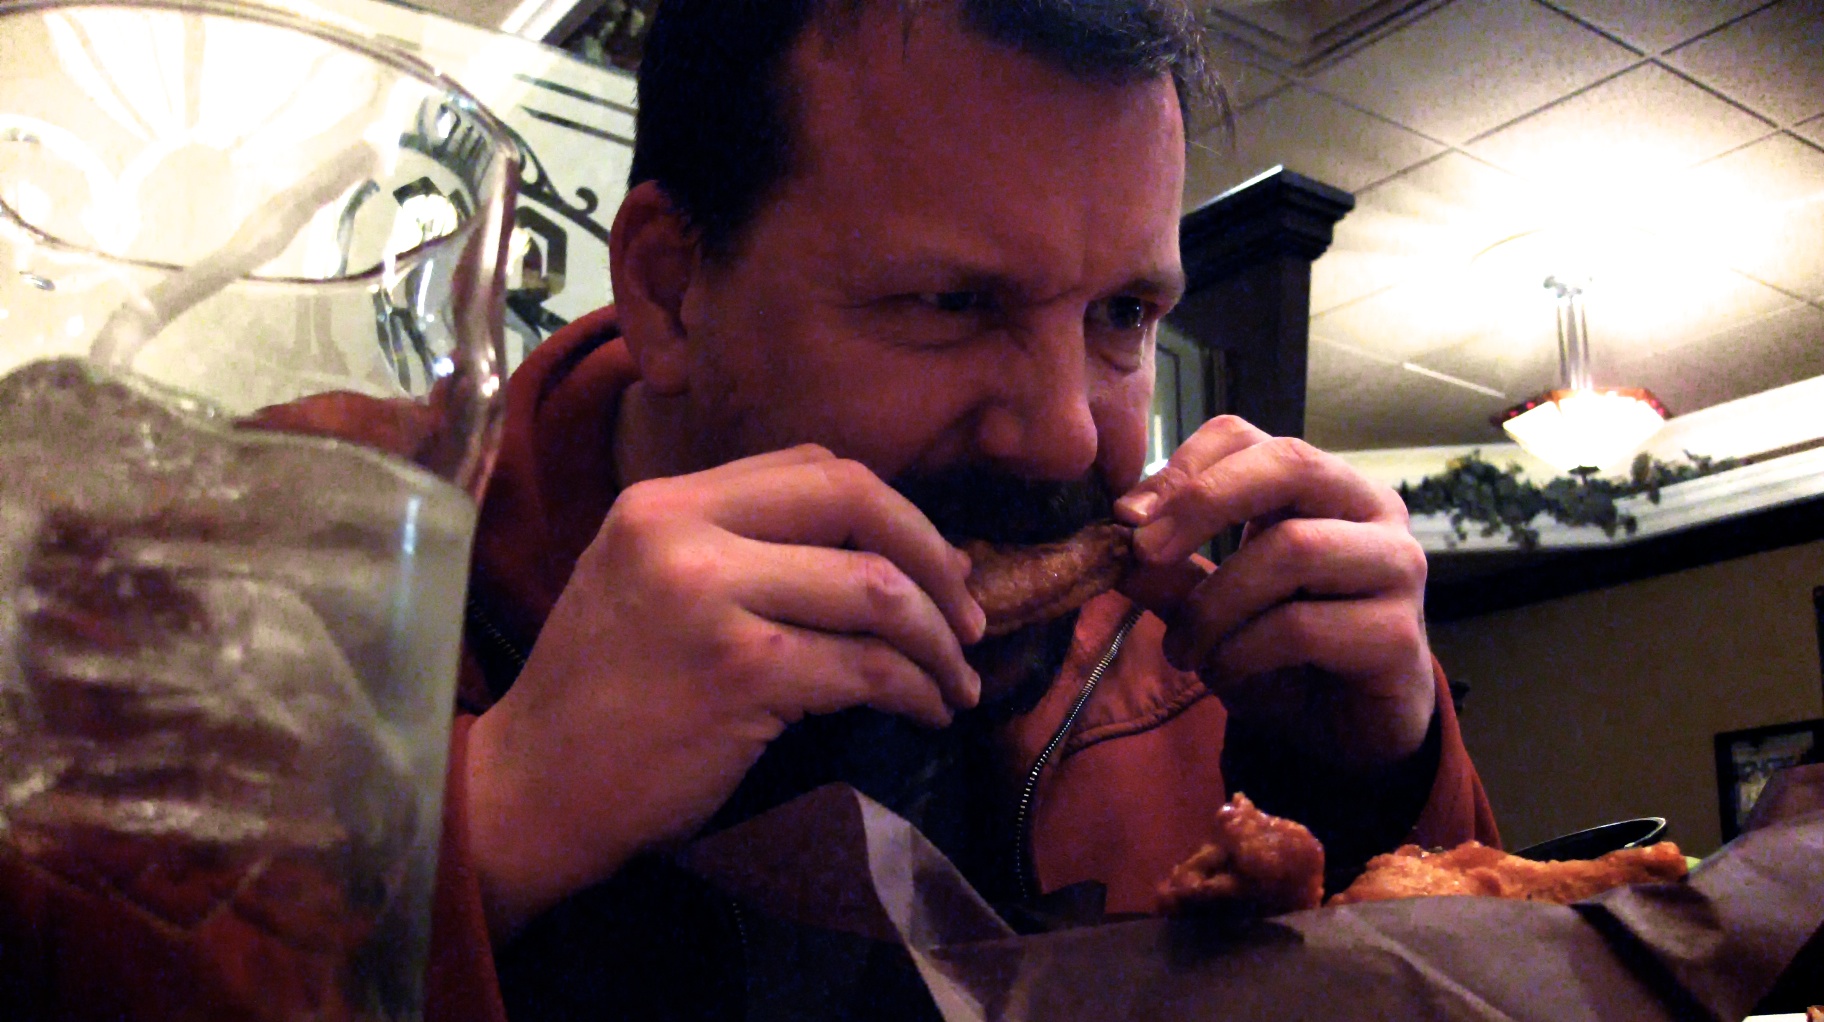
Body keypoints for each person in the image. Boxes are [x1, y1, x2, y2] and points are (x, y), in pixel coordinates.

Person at [368, 0, 1502, 1017]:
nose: (1070, 432)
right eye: (951, 301)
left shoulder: (1202, 679)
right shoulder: (291, 551)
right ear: (671, 290)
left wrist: (1377, 791)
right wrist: (484, 822)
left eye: (1123, 312)